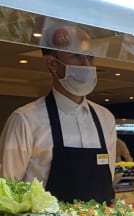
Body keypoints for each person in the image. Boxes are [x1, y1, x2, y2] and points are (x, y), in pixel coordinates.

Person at [0, 21, 117, 203]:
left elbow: (107, 180)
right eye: (76, 56)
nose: (87, 65)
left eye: (90, 57)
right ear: (52, 64)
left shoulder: (105, 118)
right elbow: (7, 193)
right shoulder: (25, 119)